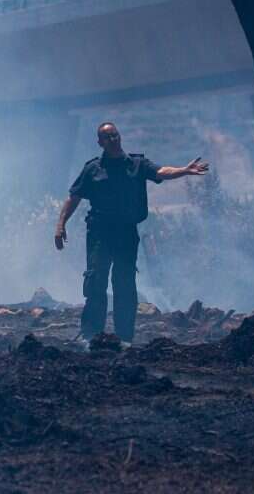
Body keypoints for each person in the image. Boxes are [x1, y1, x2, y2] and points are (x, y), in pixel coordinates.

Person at [55, 122, 209, 348]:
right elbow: (74, 197)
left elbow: (160, 171)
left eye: (115, 135)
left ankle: (124, 337)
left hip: (126, 233)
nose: (113, 139)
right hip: (99, 233)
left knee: (125, 283)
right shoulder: (93, 169)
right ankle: (91, 337)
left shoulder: (137, 164)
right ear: (100, 142)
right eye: (107, 137)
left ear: (120, 136)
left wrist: (184, 171)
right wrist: (60, 225)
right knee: (96, 281)